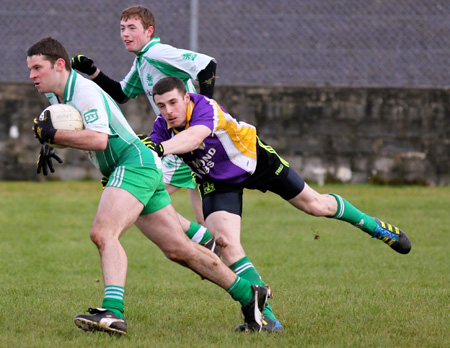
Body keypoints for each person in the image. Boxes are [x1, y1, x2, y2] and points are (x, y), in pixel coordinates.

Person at [27, 37, 272, 335]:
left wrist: (55, 136)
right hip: (133, 168)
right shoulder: (57, 96)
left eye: (38, 68)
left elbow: (99, 139)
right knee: (179, 250)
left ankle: (113, 312)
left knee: (103, 233)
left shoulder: (83, 90)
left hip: (133, 164)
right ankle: (250, 295)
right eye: (30, 69)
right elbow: (69, 127)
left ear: (60, 65)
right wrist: (50, 142)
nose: (32, 75)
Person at [144, 76, 412, 332]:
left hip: (256, 161)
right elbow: (151, 162)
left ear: (186, 98)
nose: (168, 111)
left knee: (316, 205)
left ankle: (374, 227)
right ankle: (266, 319)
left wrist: (160, 148)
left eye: (173, 102)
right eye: (161, 105)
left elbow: (193, 138)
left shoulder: (205, 107)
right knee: (225, 242)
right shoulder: (162, 127)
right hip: (217, 180)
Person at [70, 5, 217, 253]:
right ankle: (237, 273)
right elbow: (121, 93)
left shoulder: (157, 53)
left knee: (138, 191)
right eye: (122, 28)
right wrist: (93, 72)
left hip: (187, 139)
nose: (125, 34)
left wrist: (203, 116)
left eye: (132, 28)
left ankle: (215, 256)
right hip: (183, 140)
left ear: (149, 31)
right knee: (208, 228)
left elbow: (207, 66)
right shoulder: (142, 61)